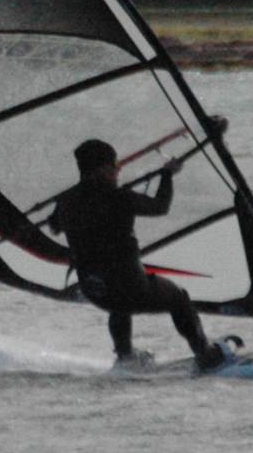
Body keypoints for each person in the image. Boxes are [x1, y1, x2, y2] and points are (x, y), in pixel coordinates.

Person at [49, 138, 227, 370]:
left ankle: (125, 357)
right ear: (103, 169)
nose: (118, 170)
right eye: (114, 166)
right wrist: (167, 175)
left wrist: (62, 204)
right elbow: (160, 206)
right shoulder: (119, 197)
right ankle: (205, 354)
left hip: (95, 289)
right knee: (178, 297)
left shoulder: (66, 200)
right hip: (132, 287)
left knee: (117, 300)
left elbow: (53, 225)